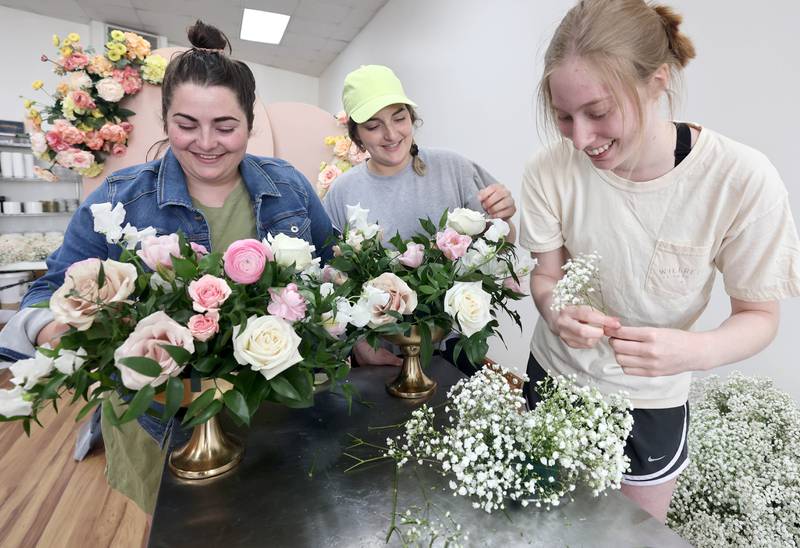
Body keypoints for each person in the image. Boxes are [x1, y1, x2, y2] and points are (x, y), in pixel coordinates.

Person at [0, 21, 335, 514]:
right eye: (186, 125)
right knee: (185, 526)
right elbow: (45, 292)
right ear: (164, 121)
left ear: (249, 124)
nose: (207, 143)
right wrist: (67, 327)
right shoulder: (120, 197)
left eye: (225, 126)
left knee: (277, 518)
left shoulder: (286, 184)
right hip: (159, 418)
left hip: (275, 406)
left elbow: (330, 260)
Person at [519, 0, 800, 523]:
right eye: (563, 117)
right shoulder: (548, 170)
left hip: (650, 403)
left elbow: (760, 318)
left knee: (632, 535)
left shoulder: (740, 181)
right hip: (554, 375)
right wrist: (555, 310)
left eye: (599, 113)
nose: (581, 139)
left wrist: (694, 350)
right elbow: (547, 275)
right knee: (542, 522)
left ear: (658, 83)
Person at [323, 64, 517, 368]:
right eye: (373, 126)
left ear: (412, 118)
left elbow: (501, 245)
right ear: (357, 137)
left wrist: (505, 217)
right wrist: (360, 345)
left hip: (454, 344)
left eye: (399, 118)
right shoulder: (342, 192)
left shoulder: (453, 168)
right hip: (382, 353)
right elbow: (333, 282)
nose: (390, 134)